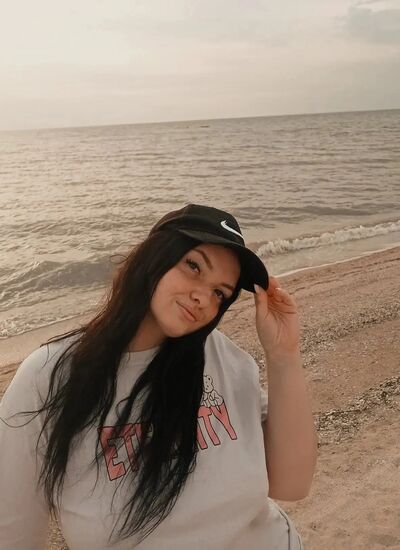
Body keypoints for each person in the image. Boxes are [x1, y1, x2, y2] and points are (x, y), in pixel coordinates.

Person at [0, 204, 317, 549]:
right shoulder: (48, 378)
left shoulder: (226, 360)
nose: (202, 297)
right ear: (154, 256)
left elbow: (292, 484)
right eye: (194, 266)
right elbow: (12, 533)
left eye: (219, 293)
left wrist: (283, 355)